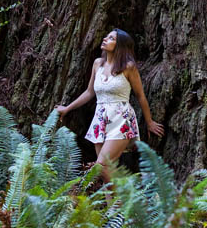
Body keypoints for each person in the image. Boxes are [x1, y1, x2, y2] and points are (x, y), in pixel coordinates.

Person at [55, 28, 164, 181]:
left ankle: (122, 202)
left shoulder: (128, 67)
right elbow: (89, 92)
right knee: (105, 172)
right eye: (106, 36)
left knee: (102, 165)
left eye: (111, 38)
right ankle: (114, 205)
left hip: (121, 120)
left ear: (120, 45)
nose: (105, 39)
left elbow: (140, 96)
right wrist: (67, 108)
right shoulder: (97, 64)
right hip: (100, 120)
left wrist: (149, 122)